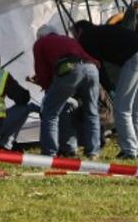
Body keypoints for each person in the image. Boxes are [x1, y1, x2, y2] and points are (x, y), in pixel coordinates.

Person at [72, 20, 138, 160]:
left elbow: (97, 66)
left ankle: (129, 151)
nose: (74, 38)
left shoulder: (86, 37)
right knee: (137, 108)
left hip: (135, 58)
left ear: (79, 31)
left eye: (74, 34)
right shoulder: (102, 31)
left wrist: (109, 88)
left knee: (121, 108)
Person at [31, 23, 101, 159]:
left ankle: (49, 153)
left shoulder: (40, 43)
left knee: (50, 112)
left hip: (70, 69)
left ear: (39, 36)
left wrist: (46, 87)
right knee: (91, 112)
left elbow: (42, 70)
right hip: (91, 69)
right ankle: (93, 152)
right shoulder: (68, 39)